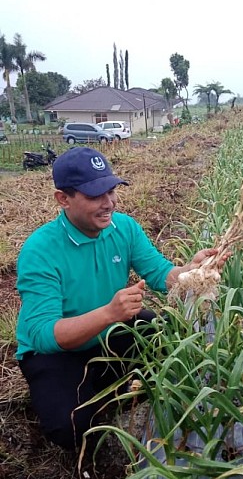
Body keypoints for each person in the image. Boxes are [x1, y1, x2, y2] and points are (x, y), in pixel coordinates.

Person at [16, 146, 225, 450]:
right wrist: (109, 313)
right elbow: (44, 335)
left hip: (108, 333)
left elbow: (159, 274)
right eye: (94, 196)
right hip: (57, 352)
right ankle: (86, 397)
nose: (108, 203)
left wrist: (194, 272)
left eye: (111, 191)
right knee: (75, 430)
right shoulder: (40, 250)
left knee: (166, 340)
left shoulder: (124, 228)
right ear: (63, 199)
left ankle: (109, 390)